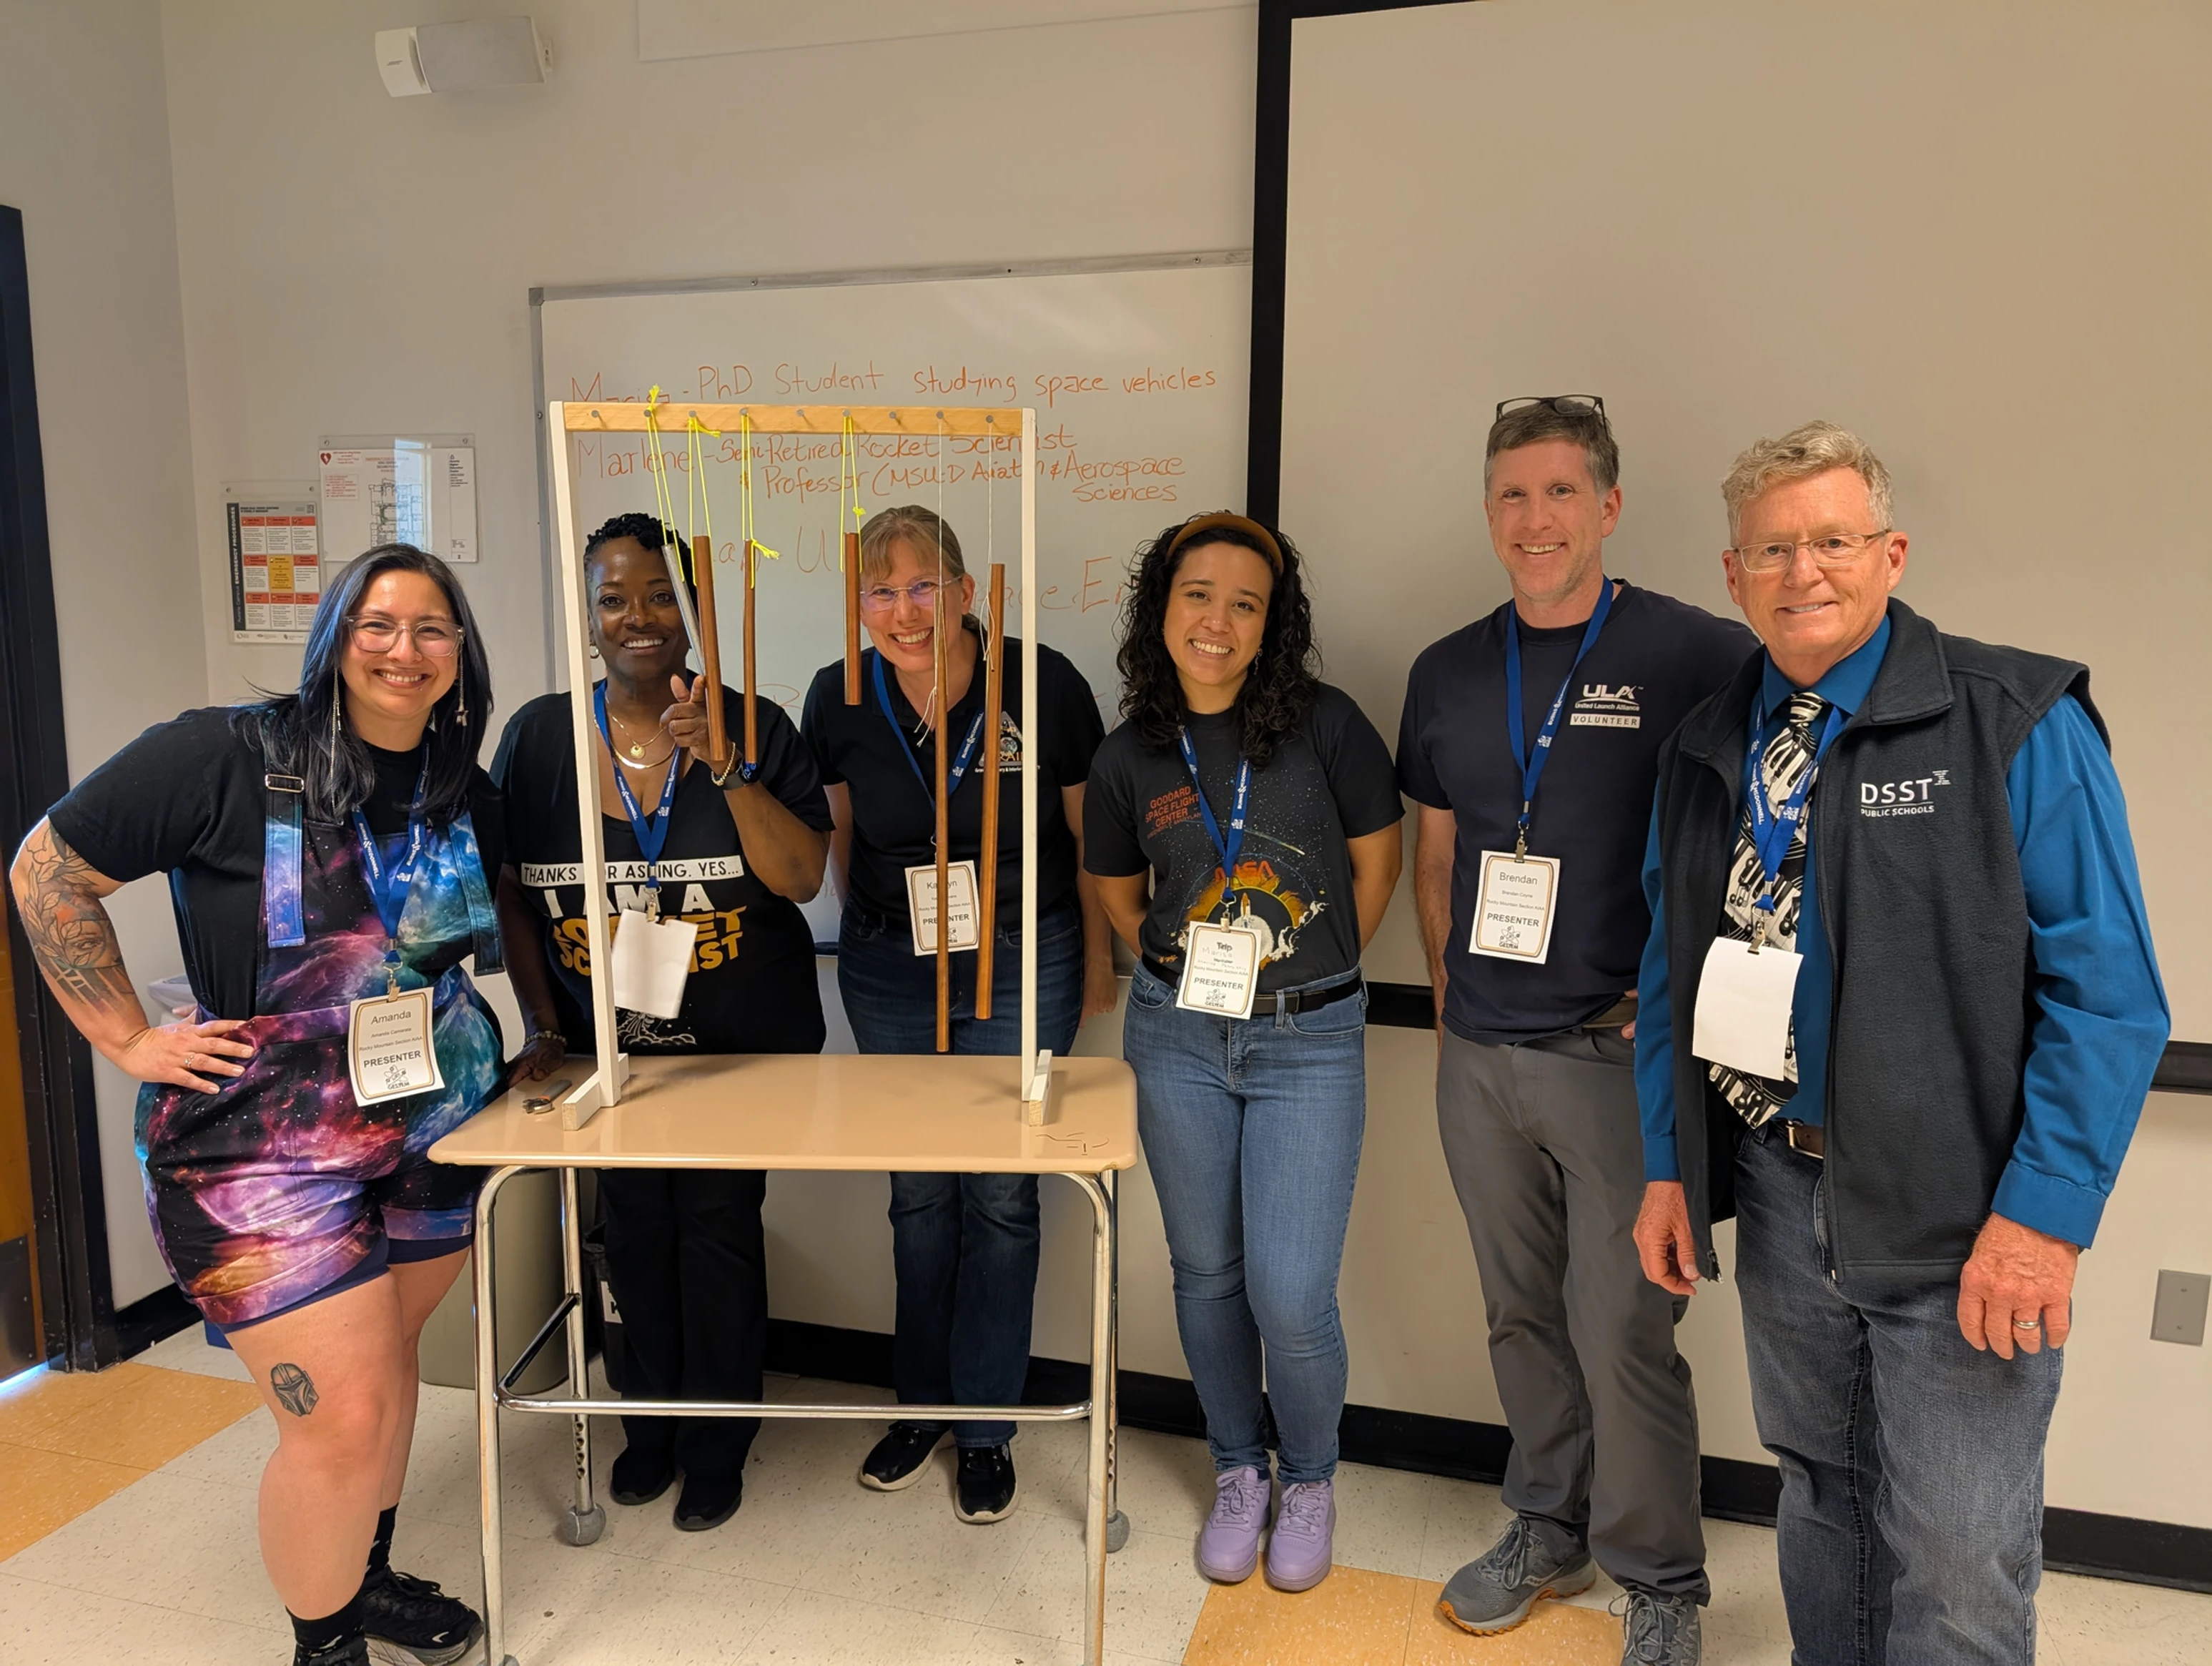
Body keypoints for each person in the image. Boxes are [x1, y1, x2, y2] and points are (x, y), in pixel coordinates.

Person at [1633, 423, 2168, 1665]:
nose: (1801, 570)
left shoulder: (2009, 719)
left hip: (1958, 1218)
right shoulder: (1706, 750)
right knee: (1822, 1501)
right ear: (1732, 574)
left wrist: (2039, 1222)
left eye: (1831, 539)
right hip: (1778, 1194)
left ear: (1890, 553)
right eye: (1772, 547)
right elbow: (1671, 977)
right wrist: (1670, 1162)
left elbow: (2110, 994)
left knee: (1958, 1556)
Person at [9, 546, 504, 1666]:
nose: (404, 650)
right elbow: (47, 868)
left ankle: (363, 1578)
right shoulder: (221, 755)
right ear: (333, 635)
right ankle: (324, 1646)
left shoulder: (459, 779)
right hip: (260, 1153)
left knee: (382, 1370)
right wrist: (127, 1034)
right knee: (339, 1416)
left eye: (433, 629)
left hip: (434, 1126)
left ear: (459, 655)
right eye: (378, 624)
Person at [1397, 396, 1753, 1662]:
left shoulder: (1693, 654)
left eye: (1559, 493)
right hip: (1481, 1058)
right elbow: (1438, 848)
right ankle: (1546, 1522)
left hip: (1616, 1056)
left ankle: (1662, 1575)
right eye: (1511, 495)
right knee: (1517, 1313)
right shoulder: (1447, 667)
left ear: (1607, 506)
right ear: (1488, 512)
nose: (1533, 519)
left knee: (1626, 1330)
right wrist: (1449, 1004)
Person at [493, 512, 831, 1532]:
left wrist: (724, 768)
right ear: (587, 615)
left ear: (691, 613)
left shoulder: (756, 721)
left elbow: (804, 876)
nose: (638, 617)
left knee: (718, 1231)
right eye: (613, 598)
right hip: (609, 1049)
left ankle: (720, 1441)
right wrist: (543, 1022)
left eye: (659, 596)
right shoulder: (541, 733)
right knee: (632, 1233)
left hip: (740, 1048)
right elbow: (513, 891)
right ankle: (648, 1429)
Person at [1085, 511, 1403, 1594]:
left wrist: (1297, 974)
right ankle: (1238, 1467)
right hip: (1174, 1036)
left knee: (1289, 1287)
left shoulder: (1328, 725)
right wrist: (1184, 972)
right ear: (1159, 609)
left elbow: (1373, 871)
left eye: (1243, 602)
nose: (1215, 620)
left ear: (1271, 623)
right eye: (1195, 595)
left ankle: (1307, 1475)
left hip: (1308, 1040)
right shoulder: (1130, 751)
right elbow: (1121, 894)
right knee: (1206, 1272)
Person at [800, 503, 1115, 1524]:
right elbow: (842, 837)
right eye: (880, 591)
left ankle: (984, 1425)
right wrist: (876, 939)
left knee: (1002, 1198)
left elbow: (1085, 828)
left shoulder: (1043, 680)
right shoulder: (838, 693)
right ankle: (921, 1405)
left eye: (922, 584)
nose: (902, 609)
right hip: (893, 966)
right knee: (917, 1198)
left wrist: (1100, 956)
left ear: (967, 591)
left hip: (1026, 956)